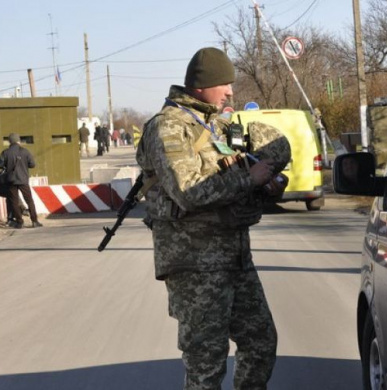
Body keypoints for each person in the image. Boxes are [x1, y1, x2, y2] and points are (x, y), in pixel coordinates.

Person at [136, 47, 287, 389]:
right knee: (207, 363)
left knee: (261, 343)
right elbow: (188, 191)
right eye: (224, 84)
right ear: (201, 86)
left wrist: (264, 181)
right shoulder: (168, 128)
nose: (231, 92)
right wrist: (249, 179)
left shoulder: (216, 125)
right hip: (195, 263)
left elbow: (233, 170)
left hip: (235, 257)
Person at [0, 133, 43, 229]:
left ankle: (19, 222)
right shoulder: (25, 151)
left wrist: (7, 165)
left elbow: (0, 165)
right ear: (18, 141)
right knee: (29, 200)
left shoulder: (6, 152)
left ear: (10, 141)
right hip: (23, 180)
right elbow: (32, 164)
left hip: (11, 180)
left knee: (14, 201)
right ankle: (34, 221)